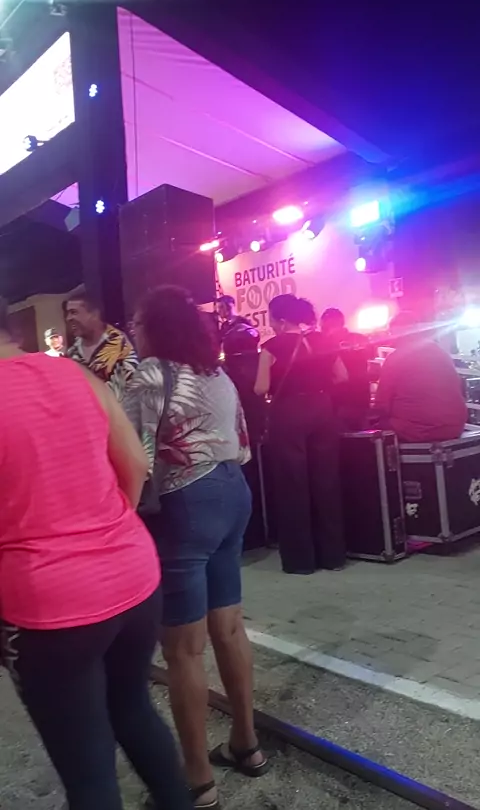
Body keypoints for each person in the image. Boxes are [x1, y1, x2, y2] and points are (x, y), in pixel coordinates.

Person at [0, 297, 191, 810]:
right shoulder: (75, 374)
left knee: (87, 771)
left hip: (50, 605)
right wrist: (102, 532)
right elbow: (135, 464)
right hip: (133, 575)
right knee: (133, 709)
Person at [123, 285, 268, 810]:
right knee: (228, 627)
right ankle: (247, 744)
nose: (132, 332)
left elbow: (132, 454)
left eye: (137, 323)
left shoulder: (149, 375)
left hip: (186, 502)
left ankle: (197, 781)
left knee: (183, 649)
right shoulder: (215, 373)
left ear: (155, 328)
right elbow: (243, 443)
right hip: (234, 493)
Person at [254, 294, 346, 574]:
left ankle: (300, 561)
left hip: (288, 413)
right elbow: (342, 376)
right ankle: (333, 556)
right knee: (326, 481)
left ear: (282, 321)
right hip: (322, 408)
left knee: (292, 485)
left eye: (271, 319)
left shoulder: (271, 347)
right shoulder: (323, 340)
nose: (271, 325)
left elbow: (260, 388)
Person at [375, 311, 467, 442]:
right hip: (454, 427)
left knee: (377, 428)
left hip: (418, 429)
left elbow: (382, 404)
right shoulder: (440, 352)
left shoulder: (396, 358)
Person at [66, 286, 138, 398]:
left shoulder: (120, 346)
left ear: (94, 314)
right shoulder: (72, 353)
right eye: (68, 313)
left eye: (74, 312)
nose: (68, 318)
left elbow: (132, 391)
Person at [320, 307, 371, 431]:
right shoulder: (361, 339)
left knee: (340, 437)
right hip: (362, 399)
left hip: (338, 402)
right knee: (362, 435)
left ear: (324, 326)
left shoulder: (325, 344)